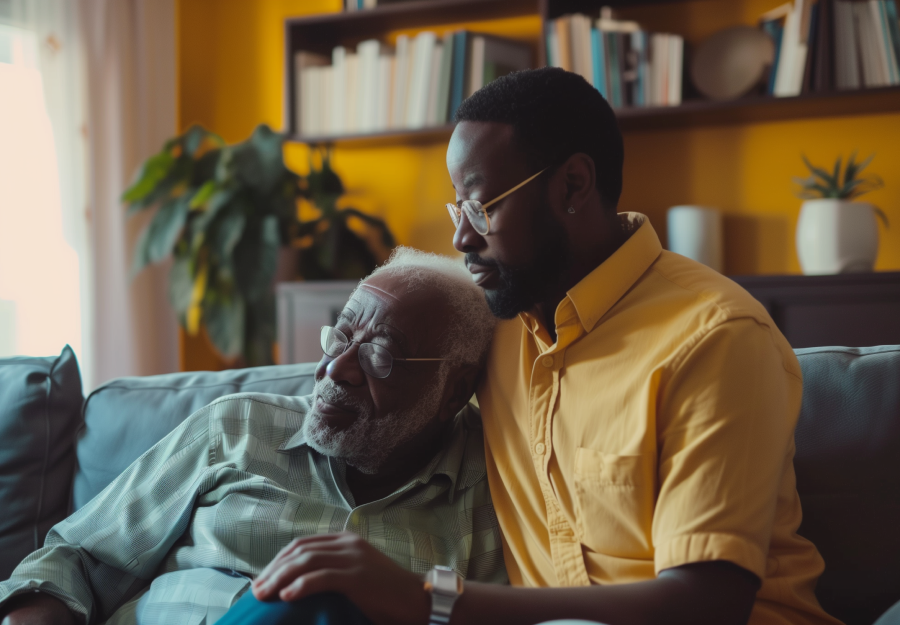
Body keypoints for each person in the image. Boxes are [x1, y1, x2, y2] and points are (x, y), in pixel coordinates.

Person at [437, 67, 843, 625]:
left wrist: (431, 600)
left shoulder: (714, 337)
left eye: (482, 207)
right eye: (457, 209)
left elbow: (706, 604)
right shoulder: (496, 322)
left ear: (574, 185)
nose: (462, 237)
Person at [0, 248, 505, 625]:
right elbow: (77, 559)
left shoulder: (484, 497)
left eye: (380, 356)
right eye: (341, 336)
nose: (335, 369)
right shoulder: (237, 427)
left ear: (453, 391)